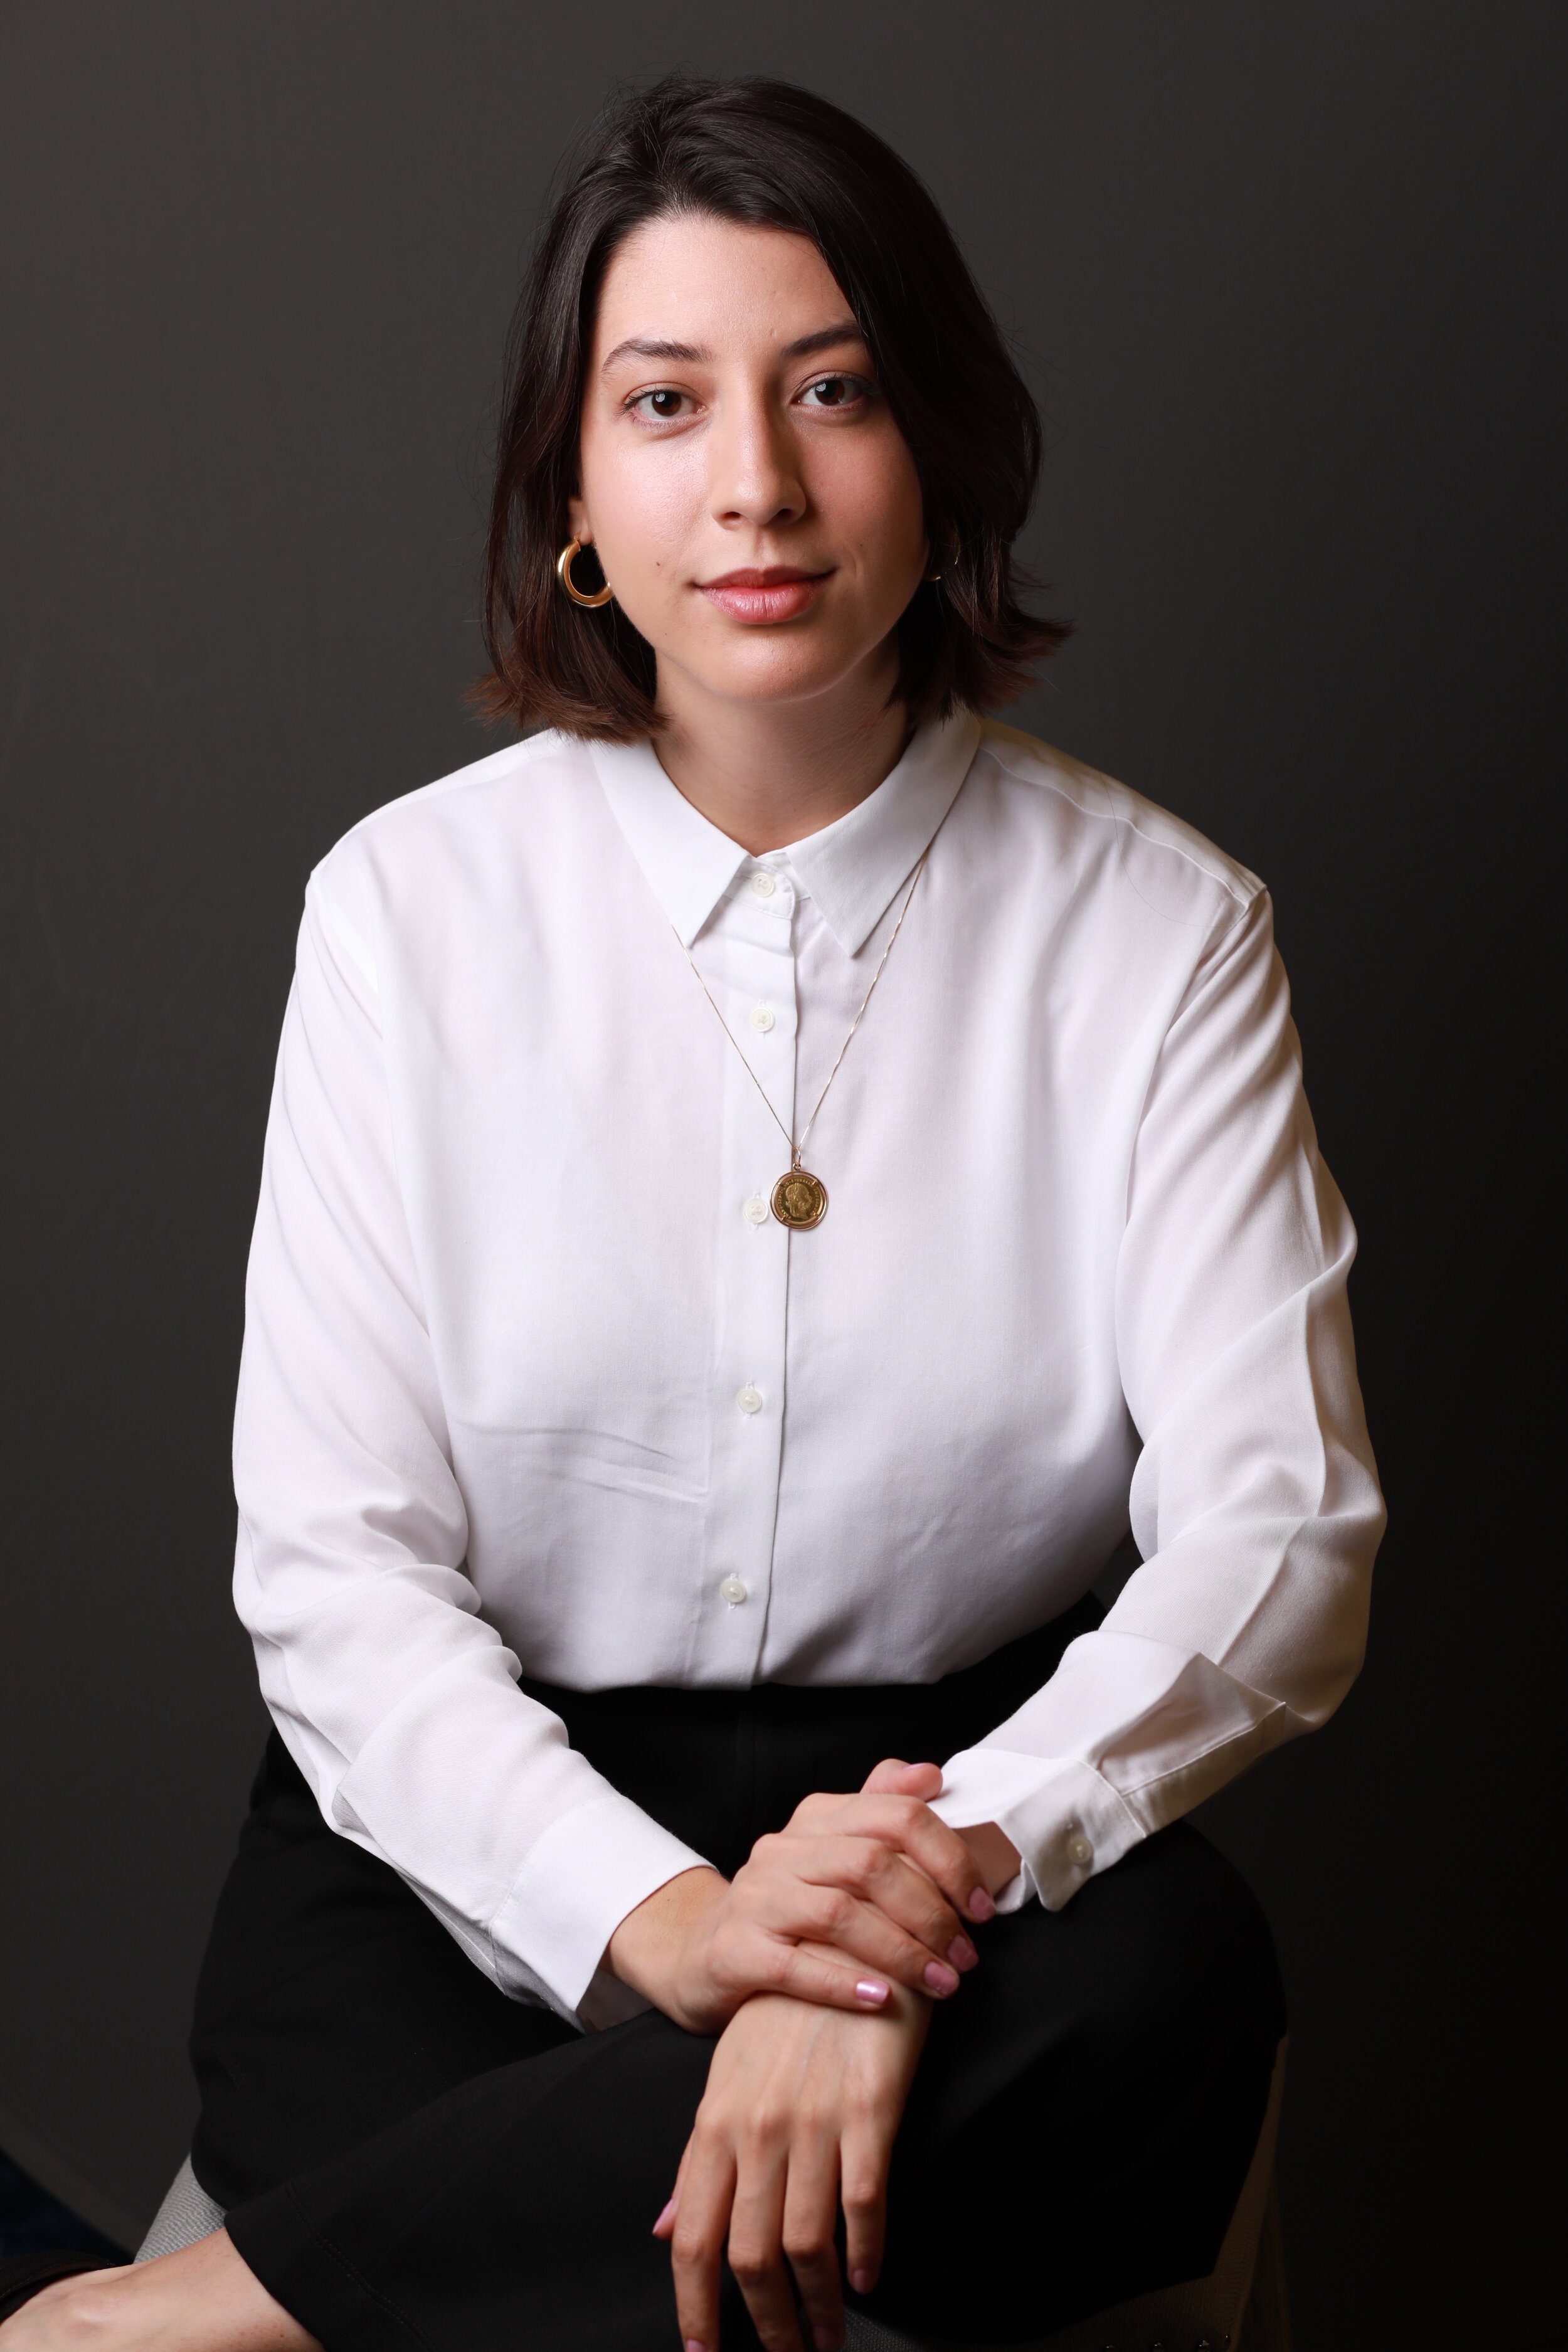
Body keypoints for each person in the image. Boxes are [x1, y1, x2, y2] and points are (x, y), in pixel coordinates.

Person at [1, 73, 1383, 2352]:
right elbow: (336, 1571)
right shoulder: (409, 910)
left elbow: (1282, 1537)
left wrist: (896, 1915)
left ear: (937, 448)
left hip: (961, 1802)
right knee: (379, 2086)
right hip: (487, 1813)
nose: (753, 483)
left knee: (1169, 1994)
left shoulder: (1160, 930)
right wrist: (671, 1932)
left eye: (831, 390)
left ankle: (198, 2313)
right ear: (573, 493)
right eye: (663, 403)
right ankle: (469, 2212)